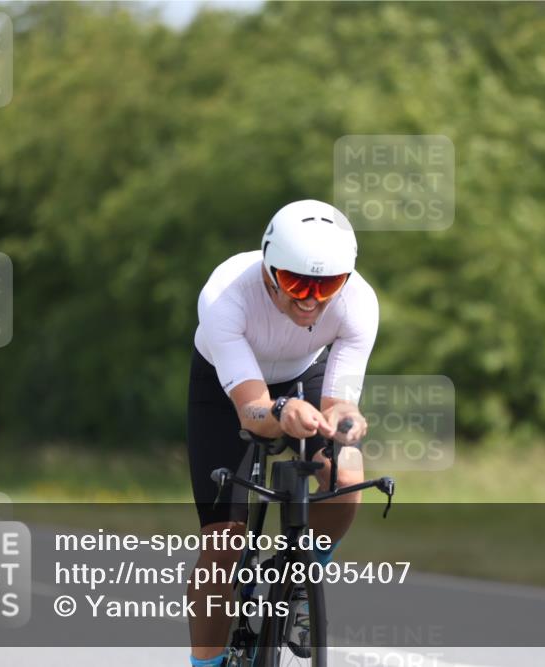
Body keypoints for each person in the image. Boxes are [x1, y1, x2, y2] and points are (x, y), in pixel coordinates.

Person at [185, 199, 379, 666]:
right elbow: (252, 410)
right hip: (228, 388)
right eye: (296, 284)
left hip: (301, 375)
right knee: (223, 543)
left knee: (347, 473)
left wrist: (347, 424)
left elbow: (339, 403)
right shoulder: (225, 295)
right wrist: (282, 409)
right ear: (271, 272)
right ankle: (206, 663)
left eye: (326, 285)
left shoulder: (359, 302)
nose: (311, 299)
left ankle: (300, 576)